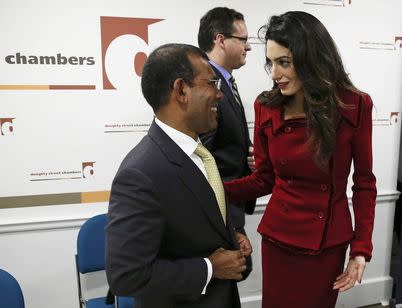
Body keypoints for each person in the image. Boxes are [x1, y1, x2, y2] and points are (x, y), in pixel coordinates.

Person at [224, 11, 377, 308]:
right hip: (279, 238)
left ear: (312, 58)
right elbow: (264, 178)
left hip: (326, 245)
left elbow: (364, 183)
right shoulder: (265, 105)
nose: (275, 74)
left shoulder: (354, 105)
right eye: (271, 63)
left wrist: (361, 249)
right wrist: (215, 188)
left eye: (284, 62)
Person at [105, 43, 252, 308]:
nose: (219, 95)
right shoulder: (140, 173)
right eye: (211, 83)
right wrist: (209, 268)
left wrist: (232, 236)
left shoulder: (202, 154)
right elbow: (126, 276)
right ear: (182, 90)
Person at [197, 7, 256, 260]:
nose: (249, 47)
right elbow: (202, 161)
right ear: (220, 40)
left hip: (231, 207)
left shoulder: (225, 82)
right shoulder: (206, 86)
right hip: (217, 216)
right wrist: (231, 225)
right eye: (243, 39)